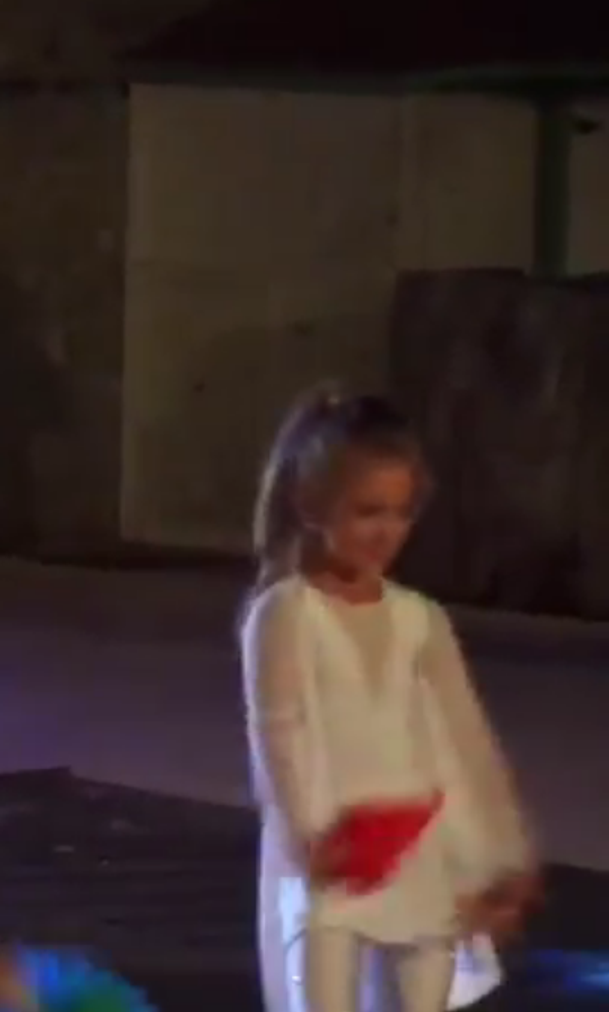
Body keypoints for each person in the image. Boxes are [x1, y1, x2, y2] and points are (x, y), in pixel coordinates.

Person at [242, 385, 541, 1012]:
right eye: (367, 511)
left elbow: (464, 736)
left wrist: (499, 856)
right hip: (333, 861)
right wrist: (307, 836)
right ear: (312, 503)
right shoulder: (287, 612)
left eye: (402, 513)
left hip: (419, 856)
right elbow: (278, 731)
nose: (387, 531)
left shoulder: (419, 618)